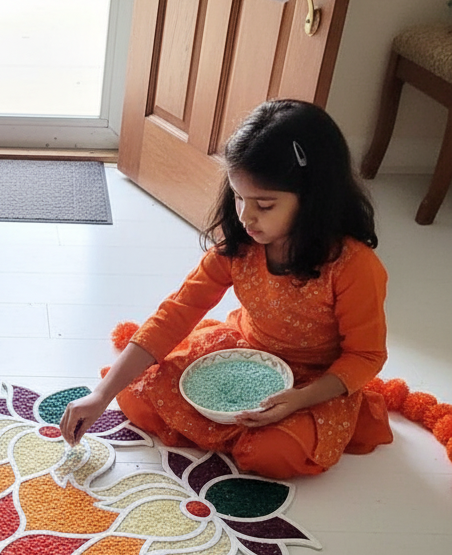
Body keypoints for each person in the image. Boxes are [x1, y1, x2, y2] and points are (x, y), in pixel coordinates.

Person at [59, 99, 392, 479]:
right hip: (247, 355)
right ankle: (237, 431)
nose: (246, 217)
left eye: (264, 205)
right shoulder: (240, 246)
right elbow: (178, 311)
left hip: (317, 380)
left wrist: (298, 400)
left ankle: (254, 433)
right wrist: (100, 394)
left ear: (314, 200)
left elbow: (365, 356)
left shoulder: (353, 266)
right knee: (134, 396)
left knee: (271, 455)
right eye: (237, 197)